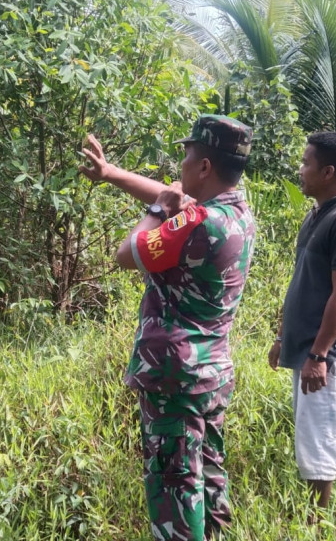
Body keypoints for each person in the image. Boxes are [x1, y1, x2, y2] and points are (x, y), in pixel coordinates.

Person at [80, 115, 256, 541]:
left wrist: (157, 210)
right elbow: (172, 196)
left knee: (175, 491)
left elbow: (126, 253)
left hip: (174, 380)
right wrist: (110, 174)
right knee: (208, 481)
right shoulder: (236, 212)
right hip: (210, 375)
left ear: (205, 168)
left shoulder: (193, 225)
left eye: (187, 154)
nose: (180, 162)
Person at [267, 131, 336, 521]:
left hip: (328, 357)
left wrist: (318, 355)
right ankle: (312, 517)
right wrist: (282, 336)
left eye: (306, 163)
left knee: (319, 445)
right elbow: (303, 282)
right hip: (308, 348)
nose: (300, 169)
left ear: (328, 171)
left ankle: (316, 525)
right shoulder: (317, 214)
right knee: (310, 440)